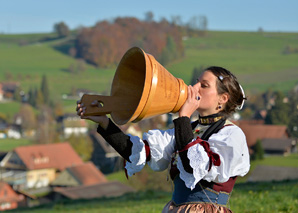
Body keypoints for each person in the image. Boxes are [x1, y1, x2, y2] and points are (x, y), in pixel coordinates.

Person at [76, 66, 250, 212]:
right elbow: (136, 152)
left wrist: (184, 116)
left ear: (223, 99)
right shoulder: (186, 128)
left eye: (203, 85)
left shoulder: (231, 135)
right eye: (197, 81)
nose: (194, 87)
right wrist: (105, 122)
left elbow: (192, 166)